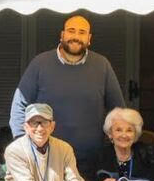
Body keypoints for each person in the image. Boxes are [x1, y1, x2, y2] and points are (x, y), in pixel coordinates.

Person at [8, 15, 125, 173]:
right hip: (45, 158)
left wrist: (116, 144)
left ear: (89, 39)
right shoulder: (40, 64)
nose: (76, 36)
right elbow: (19, 106)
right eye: (71, 31)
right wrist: (23, 144)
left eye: (82, 32)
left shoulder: (102, 65)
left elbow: (118, 112)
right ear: (62, 35)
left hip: (90, 161)